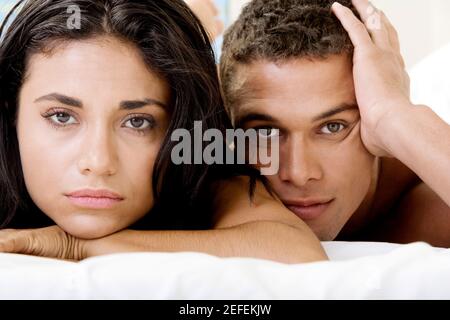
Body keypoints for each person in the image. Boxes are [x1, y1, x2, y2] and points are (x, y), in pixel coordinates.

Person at [0, 0, 326, 263]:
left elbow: (296, 251)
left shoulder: (201, 171)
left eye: (138, 122)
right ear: (11, 112)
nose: (98, 162)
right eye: (61, 116)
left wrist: (72, 246)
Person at [219, 0, 450, 246]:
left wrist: (391, 112)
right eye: (266, 132)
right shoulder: (216, 181)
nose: (299, 174)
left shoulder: (430, 199)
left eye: (333, 127)